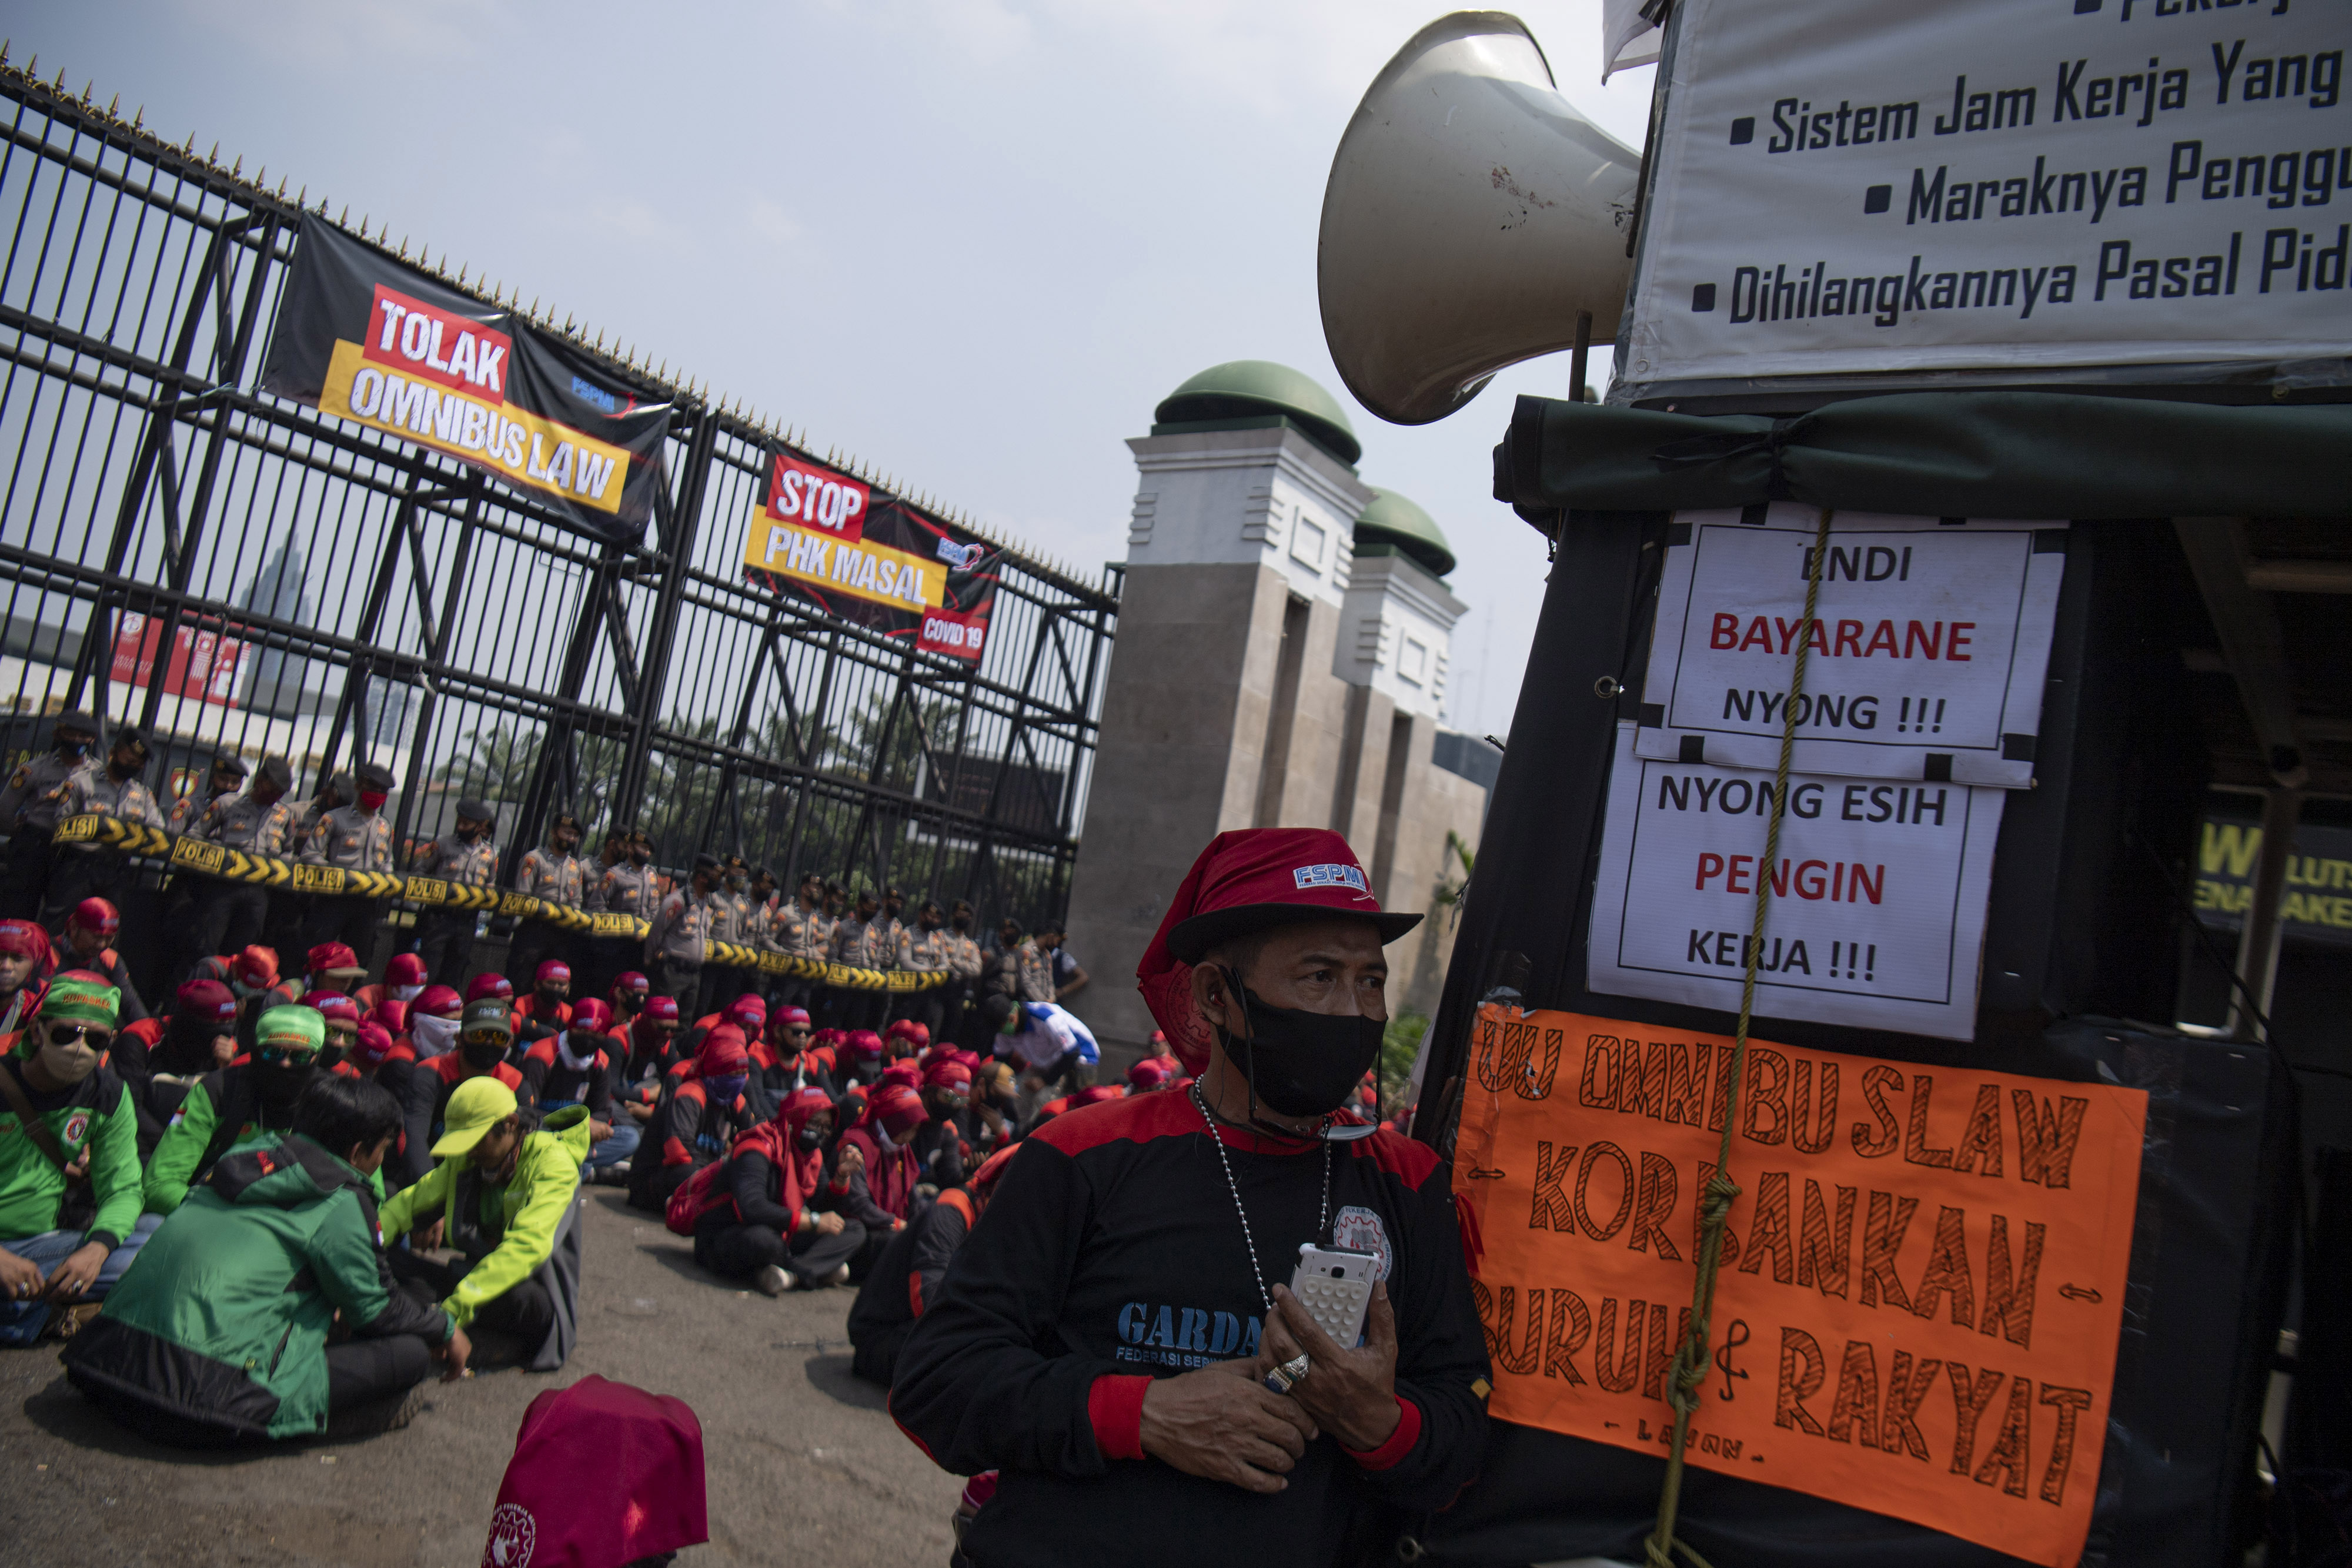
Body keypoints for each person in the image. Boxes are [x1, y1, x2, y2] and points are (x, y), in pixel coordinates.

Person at [890, 828, 1489, 1568]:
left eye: (1371, 981)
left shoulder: (1410, 1185)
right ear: (1216, 996)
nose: (1354, 1010)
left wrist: (1376, 1421)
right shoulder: (1084, 1157)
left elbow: (1465, 1439)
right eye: (1319, 977)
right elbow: (937, 1384)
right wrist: (1141, 1414)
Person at [62, 1075, 468, 1443]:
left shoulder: (244, 1158)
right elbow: (378, 1309)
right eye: (381, 1150)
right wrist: (446, 1327)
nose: (380, 1162)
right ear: (360, 1150)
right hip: (202, 1404)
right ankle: (306, 1421)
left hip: (104, 1364)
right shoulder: (341, 1199)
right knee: (411, 1353)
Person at [379, 1075, 590, 1371]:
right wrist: (363, 1250)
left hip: (528, 1298)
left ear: (510, 1124)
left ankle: (471, 1339)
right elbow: (406, 1205)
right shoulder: (468, 1159)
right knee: (387, 1264)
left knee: (518, 1296)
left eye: (475, 1141)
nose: (468, 1151)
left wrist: (453, 1312)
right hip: (474, 1280)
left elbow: (525, 1247)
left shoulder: (554, 1164)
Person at [0, 972, 153, 1345]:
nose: (80, 1048)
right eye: (67, 1034)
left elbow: (123, 1189)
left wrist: (96, 1250)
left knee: (162, 1241)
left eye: (96, 1039)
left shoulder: (108, 1096)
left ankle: (30, 1309)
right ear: (37, 1031)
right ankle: (40, 1315)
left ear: (109, 1044)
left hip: (40, 1249)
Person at [143, 1002, 336, 1216]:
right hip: (211, 1214)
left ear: (317, 1058)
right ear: (255, 1048)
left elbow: (360, 1192)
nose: (285, 1064)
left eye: (300, 1057)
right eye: (273, 1053)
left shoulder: (333, 1102)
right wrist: (233, 1222)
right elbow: (159, 1185)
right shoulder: (218, 1091)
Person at [848, 1145, 1014, 1387]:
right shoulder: (951, 1211)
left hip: (922, 1333)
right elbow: (926, 1291)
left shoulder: (994, 1218)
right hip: (882, 1337)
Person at [683, 1085, 865, 1296]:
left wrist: (841, 1178)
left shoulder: (812, 1156)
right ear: (793, 1120)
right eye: (814, 1123)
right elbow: (752, 1207)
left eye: (826, 1127)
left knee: (853, 1230)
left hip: (779, 1230)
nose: (820, 1133)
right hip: (728, 1232)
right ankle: (816, 1269)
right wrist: (812, 1222)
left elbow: (823, 1208)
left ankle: (793, 1275)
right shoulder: (758, 1147)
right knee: (767, 1243)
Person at [175, 755, 298, 982]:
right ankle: (192, 992)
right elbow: (195, 836)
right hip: (223, 887)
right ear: (260, 780)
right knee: (205, 948)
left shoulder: (284, 814)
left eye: (280, 793)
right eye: (271, 790)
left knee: (243, 954)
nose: (275, 797)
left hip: (258, 891)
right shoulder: (227, 804)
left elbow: (289, 851)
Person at [626, 1020, 757, 1211]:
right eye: (731, 1074)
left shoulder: (734, 1100)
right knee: (691, 1175)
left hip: (705, 1173)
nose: (736, 1081)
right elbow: (678, 1152)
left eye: (740, 1075)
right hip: (658, 1178)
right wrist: (719, 1176)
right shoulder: (690, 1095)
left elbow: (754, 1138)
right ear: (715, 1070)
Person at [112, 978, 240, 1154]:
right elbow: (127, 1106)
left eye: (228, 1024)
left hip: (197, 1144)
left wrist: (226, 1070)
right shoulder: (141, 1038)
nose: (223, 1034)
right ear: (190, 1021)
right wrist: (172, 1147)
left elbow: (233, 1116)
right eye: (216, 1024)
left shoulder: (228, 1050)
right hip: (142, 1141)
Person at [51, 726, 166, 920]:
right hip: (80, 865)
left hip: (117, 869)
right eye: (129, 760)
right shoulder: (81, 782)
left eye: (138, 764)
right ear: (113, 753)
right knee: (65, 923)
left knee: (107, 929)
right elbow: (60, 822)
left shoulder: (143, 794)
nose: (133, 766)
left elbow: (157, 830)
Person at [0, 710, 101, 919]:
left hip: (74, 852)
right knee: (18, 911)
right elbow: (5, 811)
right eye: (71, 734)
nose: (77, 740)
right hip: (36, 845)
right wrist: (21, 831)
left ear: (92, 739)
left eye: (83, 736)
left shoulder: (99, 775)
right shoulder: (34, 769)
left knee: (62, 917)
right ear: (58, 735)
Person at [300, 759, 396, 957]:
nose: (377, 794)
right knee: (317, 952)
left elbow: (388, 862)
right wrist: (336, 875)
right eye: (372, 788)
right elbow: (310, 854)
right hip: (334, 898)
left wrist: (387, 879)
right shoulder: (333, 818)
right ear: (359, 786)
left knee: (359, 956)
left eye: (382, 791)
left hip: (367, 902)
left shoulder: (385, 827)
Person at [830, 1082, 925, 1271]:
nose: (911, 1136)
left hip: (891, 1228)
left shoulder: (900, 1148)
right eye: (908, 1128)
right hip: (862, 1233)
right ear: (894, 1123)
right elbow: (858, 1204)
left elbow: (912, 1198)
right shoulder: (857, 1145)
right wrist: (894, 1222)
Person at [411, 796, 497, 986]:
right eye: (459, 822)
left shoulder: (490, 854)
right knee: (429, 970)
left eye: (467, 824)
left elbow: (490, 885)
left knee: (454, 973)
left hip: (467, 920)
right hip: (440, 917)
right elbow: (421, 872)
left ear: (481, 826)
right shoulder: (442, 844)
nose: (460, 827)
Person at [507, 812, 587, 991]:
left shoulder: (575, 866)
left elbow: (576, 901)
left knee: (551, 985)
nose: (571, 838)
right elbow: (522, 896)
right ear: (554, 832)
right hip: (534, 929)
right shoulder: (535, 859)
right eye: (567, 833)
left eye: (574, 835)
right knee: (522, 980)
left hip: (560, 933)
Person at [425, 998, 526, 1139]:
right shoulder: (432, 1072)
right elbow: (414, 1133)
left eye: (499, 1037)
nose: (489, 1042)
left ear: (510, 1043)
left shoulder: (515, 1082)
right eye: (480, 1035)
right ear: (459, 1039)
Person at [985, 992, 1101, 1093]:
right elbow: (1001, 1060)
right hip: (1047, 1063)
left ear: (1012, 1017)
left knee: (1046, 1101)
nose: (1002, 1033)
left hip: (1080, 1058)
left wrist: (1045, 1081)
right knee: (1021, 1096)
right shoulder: (1003, 1032)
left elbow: (1072, 1052)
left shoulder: (1045, 1018)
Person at [61, 898, 146, 1023]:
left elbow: (132, 1006)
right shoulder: (47, 954)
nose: (101, 945)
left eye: (109, 938)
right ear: (74, 928)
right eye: (96, 937)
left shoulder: (111, 960)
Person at [644, 853, 714, 1003]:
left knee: (684, 1023)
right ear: (702, 877)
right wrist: (649, 959)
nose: (720, 880)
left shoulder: (706, 904)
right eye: (716, 876)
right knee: (662, 1015)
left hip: (694, 974)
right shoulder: (678, 900)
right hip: (673, 970)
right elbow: (657, 931)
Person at [165, 751, 245, 837]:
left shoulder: (242, 813)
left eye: (235, 782)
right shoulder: (188, 806)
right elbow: (170, 838)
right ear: (212, 777)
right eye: (223, 779)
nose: (228, 786)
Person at [510, 959, 573, 1049]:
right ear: (537, 985)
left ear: (568, 989)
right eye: (550, 983)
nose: (556, 988)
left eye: (561, 984)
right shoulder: (518, 1006)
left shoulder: (569, 1015)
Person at [1039, 920, 1089, 1002]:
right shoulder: (1035, 953)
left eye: (1057, 940)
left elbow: (1083, 977)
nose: (1055, 942)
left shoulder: (1062, 957)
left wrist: (1062, 991)